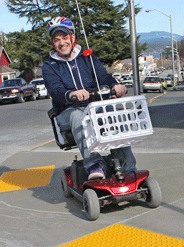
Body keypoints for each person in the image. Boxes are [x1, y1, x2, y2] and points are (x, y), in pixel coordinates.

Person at [42, 16, 137, 180]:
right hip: (67, 111)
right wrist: (71, 94)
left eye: (64, 37)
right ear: (52, 43)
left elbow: (103, 77)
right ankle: (94, 164)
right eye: (56, 39)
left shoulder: (87, 57)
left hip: (93, 108)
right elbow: (55, 90)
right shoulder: (50, 65)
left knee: (113, 113)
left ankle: (128, 167)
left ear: (72, 37)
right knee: (78, 116)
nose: (61, 43)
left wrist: (115, 85)